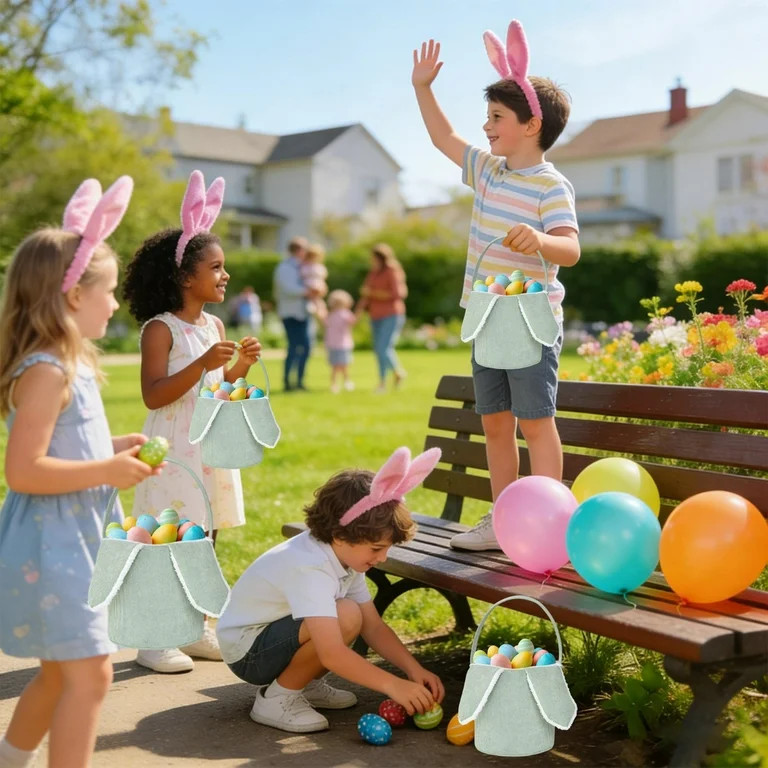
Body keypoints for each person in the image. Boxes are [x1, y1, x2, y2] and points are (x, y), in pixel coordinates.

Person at [0, 177, 161, 768]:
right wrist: (108, 468)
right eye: (109, 291)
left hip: (73, 540)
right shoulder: (47, 371)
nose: (115, 303)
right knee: (89, 677)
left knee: (58, 673)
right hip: (54, 545)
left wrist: (113, 446)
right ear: (73, 296)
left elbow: (62, 449)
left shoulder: (68, 367)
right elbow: (24, 471)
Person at [411, 24, 580, 551]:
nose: (486, 127)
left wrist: (539, 240)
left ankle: (550, 516)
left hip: (530, 322)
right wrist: (423, 89)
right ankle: (505, 520)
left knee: (535, 424)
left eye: (496, 118)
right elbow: (443, 138)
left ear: (531, 125)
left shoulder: (551, 185)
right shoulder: (486, 172)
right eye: (487, 117)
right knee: (496, 426)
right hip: (487, 317)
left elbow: (570, 250)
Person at [122, 170, 262, 673]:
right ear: (185, 276)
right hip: (174, 447)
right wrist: (200, 366)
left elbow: (217, 388)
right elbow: (154, 393)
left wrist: (237, 368)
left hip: (209, 444)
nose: (225, 275)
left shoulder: (214, 325)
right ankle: (153, 634)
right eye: (216, 267)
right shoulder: (160, 329)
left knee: (204, 536)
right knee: (168, 536)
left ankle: (194, 624)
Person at [216, 446, 445, 733]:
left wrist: (413, 669)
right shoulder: (311, 567)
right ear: (339, 535)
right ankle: (276, 700)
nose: (383, 557)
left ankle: (304, 685)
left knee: (352, 615)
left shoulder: (345, 559)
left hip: (268, 639)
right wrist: (393, 684)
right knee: (346, 615)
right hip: (248, 652)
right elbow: (332, 654)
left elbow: (372, 627)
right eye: (377, 548)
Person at [357, 244, 408, 393]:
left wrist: (373, 293)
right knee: (379, 350)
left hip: (392, 314)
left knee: (383, 348)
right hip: (375, 315)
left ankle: (396, 374)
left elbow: (398, 294)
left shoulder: (393, 271)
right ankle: (384, 381)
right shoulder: (373, 273)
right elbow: (365, 294)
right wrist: (358, 312)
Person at [274, 236, 311, 391]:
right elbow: (288, 289)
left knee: (305, 347)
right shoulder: (285, 268)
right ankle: (289, 382)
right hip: (290, 314)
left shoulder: (302, 267)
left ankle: (299, 381)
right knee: (294, 347)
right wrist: (308, 291)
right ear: (298, 250)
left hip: (302, 313)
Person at [321, 289, 357, 393]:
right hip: (336, 344)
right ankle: (336, 384)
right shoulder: (332, 315)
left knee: (341, 366)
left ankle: (344, 382)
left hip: (342, 344)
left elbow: (352, 322)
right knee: (337, 366)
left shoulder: (342, 314)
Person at [301, 243, 329, 320]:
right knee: (313, 300)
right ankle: (317, 313)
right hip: (309, 286)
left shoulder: (318, 266)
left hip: (318, 287)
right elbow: (303, 275)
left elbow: (323, 277)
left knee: (318, 301)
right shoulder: (305, 266)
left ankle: (323, 316)